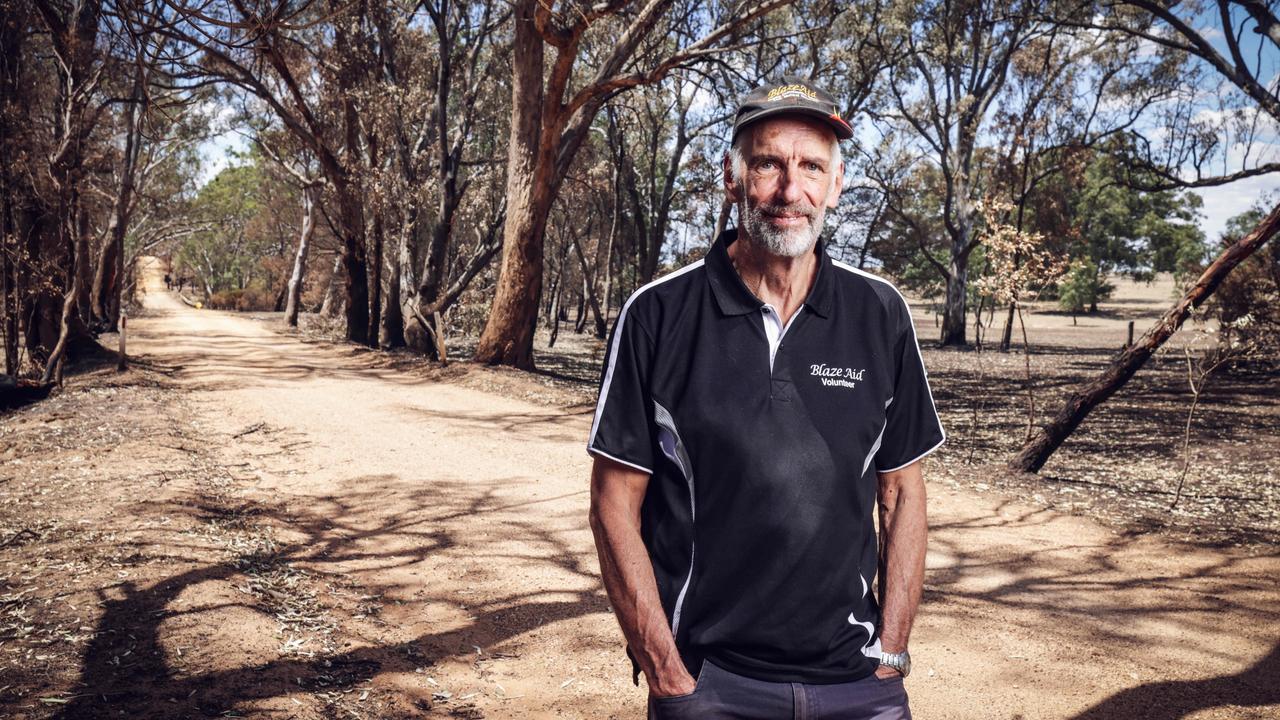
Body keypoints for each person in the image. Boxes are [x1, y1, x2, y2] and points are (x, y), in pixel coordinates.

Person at [587, 79, 945, 720]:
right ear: (732, 178)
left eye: (811, 166)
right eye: (767, 164)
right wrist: (667, 671)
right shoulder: (659, 316)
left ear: (835, 186)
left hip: (859, 686)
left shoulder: (880, 313)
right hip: (711, 684)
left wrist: (891, 654)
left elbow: (902, 492)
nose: (790, 190)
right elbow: (614, 506)